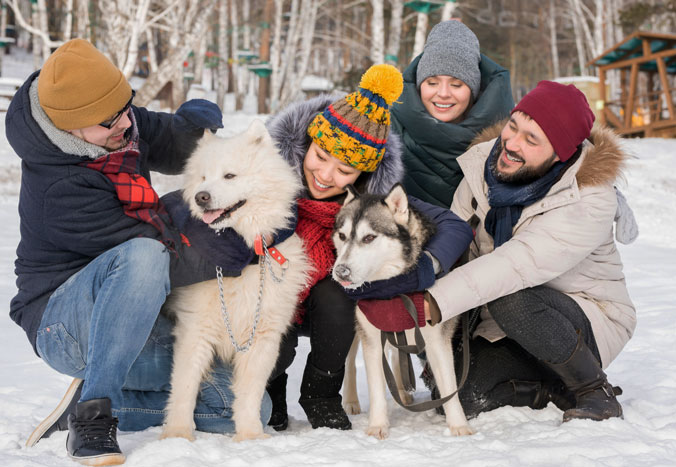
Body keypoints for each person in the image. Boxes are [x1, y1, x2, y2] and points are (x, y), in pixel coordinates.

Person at [6, 38, 270, 465]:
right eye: (106, 123)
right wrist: (221, 244)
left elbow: (169, 143)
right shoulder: (57, 189)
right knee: (144, 255)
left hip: (131, 315)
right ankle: (94, 415)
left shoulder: (113, 122)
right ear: (69, 129)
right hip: (64, 324)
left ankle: (100, 396)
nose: (124, 125)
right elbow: (159, 250)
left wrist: (194, 133)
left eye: (125, 110)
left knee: (242, 408)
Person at [352, 80, 637, 422]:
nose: (512, 143)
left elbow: (513, 266)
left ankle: (592, 389)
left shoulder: (588, 200)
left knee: (510, 296)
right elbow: (457, 245)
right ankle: (551, 388)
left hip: (582, 316)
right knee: (458, 398)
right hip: (501, 315)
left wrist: (426, 305)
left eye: (531, 140)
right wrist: (407, 281)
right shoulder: (481, 170)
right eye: (513, 127)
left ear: (560, 154)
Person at [263, 64, 474, 431]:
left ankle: (321, 393)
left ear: (361, 175)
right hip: (267, 302)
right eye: (321, 156)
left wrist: (427, 267)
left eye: (345, 169)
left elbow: (453, 226)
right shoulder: (267, 178)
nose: (326, 175)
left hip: (325, 304)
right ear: (307, 143)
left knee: (340, 293)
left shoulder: (371, 202)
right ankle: (271, 388)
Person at [391, 20, 515, 209]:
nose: (443, 93)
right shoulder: (388, 130)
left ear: (474, 89)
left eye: (456, 84)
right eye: (432, 83)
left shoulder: (504, 139)